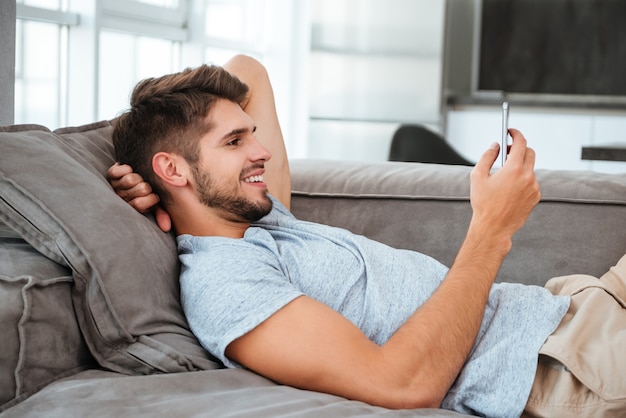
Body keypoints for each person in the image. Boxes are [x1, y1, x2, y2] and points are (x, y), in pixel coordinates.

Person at [107, 55, 626, 417]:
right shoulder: (226, 284)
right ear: (174, 169)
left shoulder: (261, 218)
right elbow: (401, 384)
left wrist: (156, 173)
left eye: (254, 134)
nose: (260, 151)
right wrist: (491, 229)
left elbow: (250, 71)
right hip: (562, 368)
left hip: (573, 307)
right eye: (236, 141)